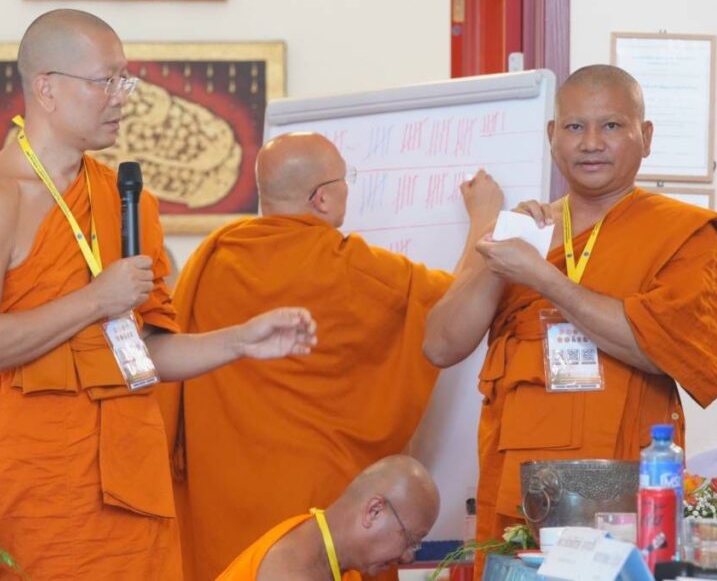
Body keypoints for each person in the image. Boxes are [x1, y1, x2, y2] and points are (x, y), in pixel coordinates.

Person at [0, 9, 317, 579]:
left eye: (125, 80)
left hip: (132, 481)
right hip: (40, 486)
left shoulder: (124, 198)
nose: (121, 98)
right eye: (105, 81)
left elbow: (145, 351)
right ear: (46, 89)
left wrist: (240, 341)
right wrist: (95, 300)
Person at [423, 65, 717, 575]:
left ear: (646, 137)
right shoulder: (526, 231)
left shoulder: (681, 232)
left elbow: (657, 346)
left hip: (625, 499)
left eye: (611, 125)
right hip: (519, 493)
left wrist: (543, 278)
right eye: (574, 127)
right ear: (553, 136)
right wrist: (503, 245)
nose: (591, 143)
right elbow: (440, 345)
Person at [156, 131, 501, 580]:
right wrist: (485, 220)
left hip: (219, 502)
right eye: (345, 179)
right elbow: (451, 315)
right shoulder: (349, 268)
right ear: (321, 198)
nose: (348, 190)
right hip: (308, 509)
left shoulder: (217, 256)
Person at [217, 455, 440, 581]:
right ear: (374, 511)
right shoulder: (291, 572)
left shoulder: (325, 541)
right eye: (411, 540)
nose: (408, 556)